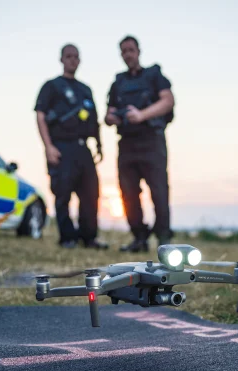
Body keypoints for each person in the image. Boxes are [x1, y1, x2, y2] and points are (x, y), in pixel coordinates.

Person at [104, 35, 175, 252]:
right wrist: (113, 117)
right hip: (127, 143)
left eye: (131, 50)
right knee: (128, 193)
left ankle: (163, 237)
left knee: (159, 191)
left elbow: (168, 100)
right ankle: (139, 238)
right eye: (123, 51)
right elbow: (108, 114)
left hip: (151, 141)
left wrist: (141, 115)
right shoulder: (118, 83)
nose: (128, 54)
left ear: (138, 51)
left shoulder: (154, 75)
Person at [34, 44, 108, 249]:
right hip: (61, 147)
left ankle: (89, 237)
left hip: (83, 149)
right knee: (62, 194)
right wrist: (48, 146)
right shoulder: (51, 86)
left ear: (80, 60)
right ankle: (67, 238)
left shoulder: (85, 90)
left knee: (91, 194)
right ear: (61, 59)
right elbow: (40, 116)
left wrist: (99, 145)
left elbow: (94, 120)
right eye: (68, 56)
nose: (72, 60)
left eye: (76, 56)